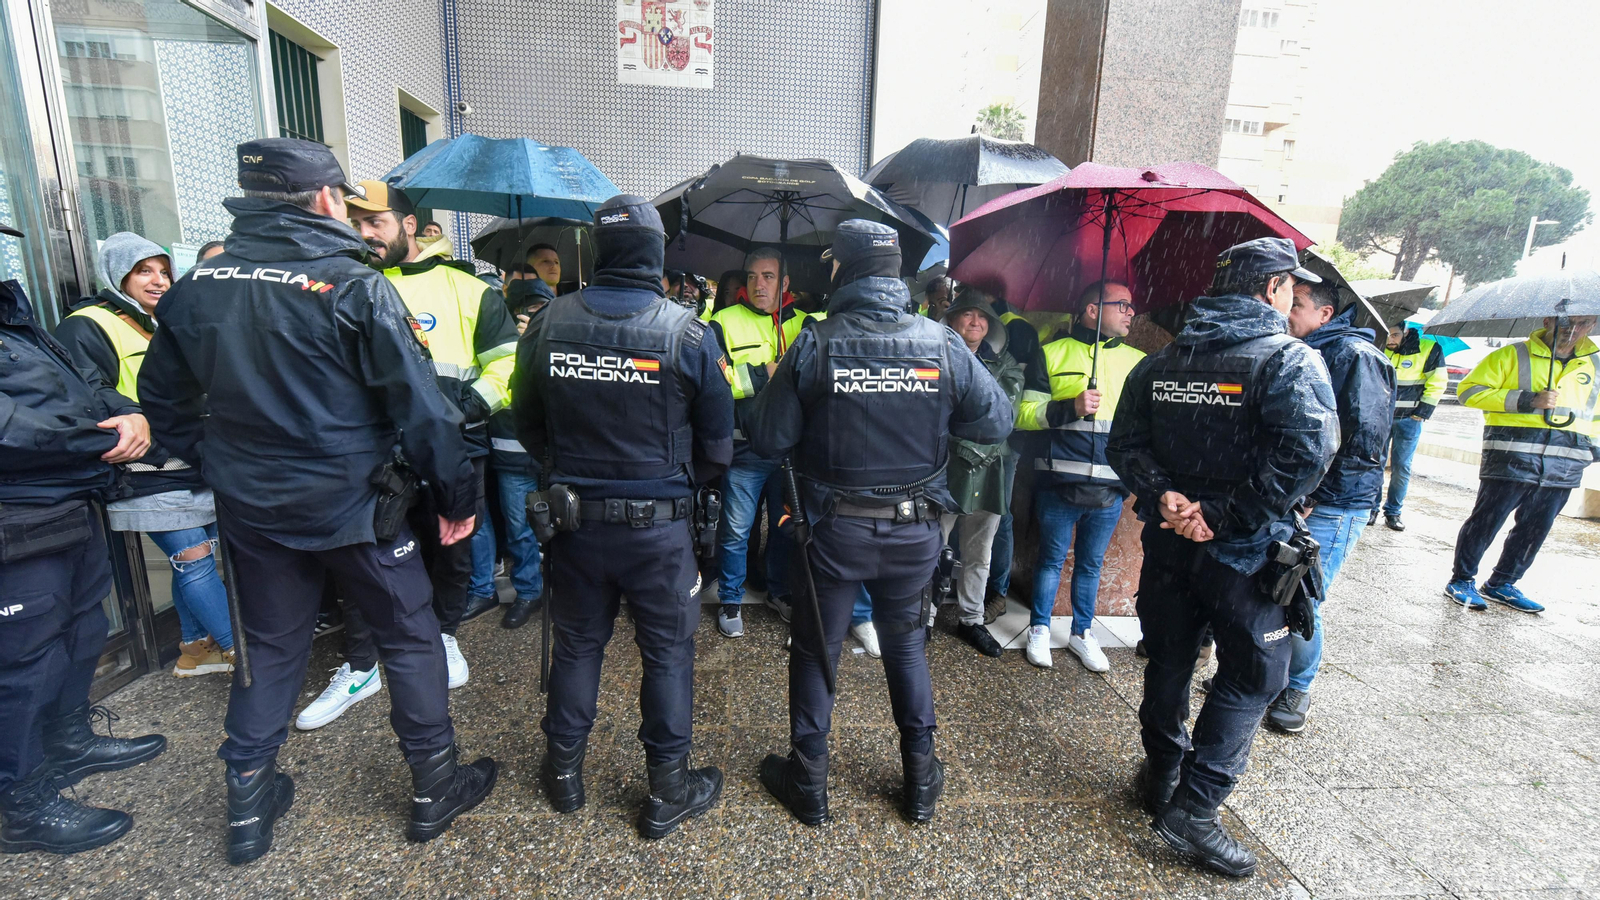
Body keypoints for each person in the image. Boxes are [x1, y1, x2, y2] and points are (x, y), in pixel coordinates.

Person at [138, 138, 495, 863]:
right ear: (329, 199)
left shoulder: (197, 287)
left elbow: (162, 405)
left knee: (269, 649)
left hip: (254, 510)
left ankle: (247, 803)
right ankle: (433, 787)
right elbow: (424, 411)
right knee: (409, 635)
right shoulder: (352, 285)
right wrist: (458, 496)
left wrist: (224, 465)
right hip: (358, 506)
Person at [747, 219, 1011, 826]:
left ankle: (809, 784)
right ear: (894, 273)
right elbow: (993, 423)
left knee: (816, 654)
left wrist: (781, 382)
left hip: (832, 532)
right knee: (906, 651)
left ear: (841, 270)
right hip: (915, 533)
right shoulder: (942, 343)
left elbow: (768, 436)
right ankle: (920, 782)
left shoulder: (815, 343)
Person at [1107, 236, 1336, 878]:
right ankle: (1193, 811)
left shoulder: (1159, 362)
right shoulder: (1288, 360)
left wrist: (1166, 496)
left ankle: (1161, 775)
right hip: (1245, 555)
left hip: (1172, 544)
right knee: (1256, 675)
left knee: (1171, 658)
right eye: (1292, 286)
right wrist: (1222, 515)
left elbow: (1124, 446)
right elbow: (1310, 454)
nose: (1294, 297)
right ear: (1270, 289)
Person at [512, 195, 734, 839]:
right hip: (660, 531)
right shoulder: (688, 333)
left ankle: (564, 776)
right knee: (666, 654)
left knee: (578, 648)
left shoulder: (548, 325)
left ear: (597, 253)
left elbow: (525, 421)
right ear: (657, 255)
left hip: (574, 525)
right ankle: (667, 791)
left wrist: (570, 472)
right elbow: (720, 444)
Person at [0, 239, 165, 856]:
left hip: (66, 504)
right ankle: (23, 804)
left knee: (81, 629)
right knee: (21, 665)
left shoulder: (17, 317)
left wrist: (132, 417)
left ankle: (69, 738)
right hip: (17, 515)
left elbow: (89, 387)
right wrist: (96, 440)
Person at [345, 179, 519, 690]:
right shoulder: (346, 284)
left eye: (375, 223)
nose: (366, 234)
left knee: (453, 551)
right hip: (373, 453)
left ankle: (443, 636)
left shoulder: (468, 289)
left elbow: (508, 366)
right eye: (356, 225)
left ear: (409, 225)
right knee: (369, 555)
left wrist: (463, 409)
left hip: (454, 447)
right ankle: (365, 660)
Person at [55, 233, 235, 677]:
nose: (158, 281)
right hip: (143, 467)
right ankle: (241, 649)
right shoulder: (87, 323)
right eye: (143, 271)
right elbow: (86, 394)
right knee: (193, 559)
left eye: (163, 271)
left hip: (188, 462)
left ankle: (194, 648)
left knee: (192, 558)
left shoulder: (162, 323)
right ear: (119, 276)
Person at [1276, 277, 1394, 732]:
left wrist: (1314, 495)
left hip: (1332, 504)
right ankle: (1269, 677)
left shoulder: (1355, 356)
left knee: (1303, 596)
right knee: (1276, 590)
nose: (1289, 311)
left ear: (1325, 314)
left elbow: (1362, 440)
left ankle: (1298, 689)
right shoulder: (1303, 351)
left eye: (1298, 304)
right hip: (1299, 498)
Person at [1017, 281, 1145, 672]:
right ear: (1092, 309)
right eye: (1121, 305)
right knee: (1051, 561)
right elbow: (1023, 415)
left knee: (1091, 564)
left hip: (1110, 490)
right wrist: (1068, 406)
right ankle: (1039, 628)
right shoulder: (1051, 353)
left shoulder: (1140, 361)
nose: (1130, 313)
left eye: (1131, 306)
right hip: (1059, 484)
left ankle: (1082, 633)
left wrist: (1129, 482)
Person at [1446, 315, 1598, 613]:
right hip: (1511, 454)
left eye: (1583, 322)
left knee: (1536, 527)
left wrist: (1594, 448)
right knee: (1487, 520)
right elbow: (1467, 392)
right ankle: (1461, 580)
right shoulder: (1513, 354)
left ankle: (1503, 583)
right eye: (1567, 321)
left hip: (1565, 462)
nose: (1572, 329)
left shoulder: (1595, 365)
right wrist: (1528, 400)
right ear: (1549, 320)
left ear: (1592, 325)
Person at [708, 248, 811, 637]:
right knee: (736, 529)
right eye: (752, 276)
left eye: (768, 276)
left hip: (789, 451)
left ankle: (778, 591)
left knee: (787, 526)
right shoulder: (723, 322)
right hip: (745, 449)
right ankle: (731, 598)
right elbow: (714, 382)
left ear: (784, 283)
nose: (759, 284)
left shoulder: (804, 325)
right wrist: (763, 372)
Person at [937, 290, 1022, 657]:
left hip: (990, 470)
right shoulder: (934, 357)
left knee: (979, 552)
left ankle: (971, 619)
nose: (975, 322)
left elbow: (1002, 417)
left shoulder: (1007, 366)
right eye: (967, 315)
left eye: (982, 317)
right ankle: (922, 616)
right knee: (931, 547)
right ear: (952, 321)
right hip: (944, 469)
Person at [484, 266, 554, 630]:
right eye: (525, 309)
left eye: (541, 307)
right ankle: (528, 591)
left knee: (564, 524)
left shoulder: (560, 336)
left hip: (555, 457)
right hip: (512, 454)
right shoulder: (500, 342)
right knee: (519, 529)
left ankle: (569, 588)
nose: (532, 314)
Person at [984, 294, 1048, 620]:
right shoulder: (979, 324)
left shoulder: (1018, 330)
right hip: (972, 439)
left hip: (1007, 441)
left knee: (1000, 514)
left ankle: (997, 591)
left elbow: (1020, 393)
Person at [1379, 321, 1447, 530]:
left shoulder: (1429, 349)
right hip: (1381, 418)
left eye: (1396, 335)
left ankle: (1393, 512)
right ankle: (1371, 508)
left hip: (1410, 419)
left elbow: (1438, 382)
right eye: (1388, 334)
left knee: (1402, 467)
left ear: (1406, 332)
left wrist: (1422, 412)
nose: (1390, 339)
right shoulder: (1381, 345)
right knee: (1374, 464)